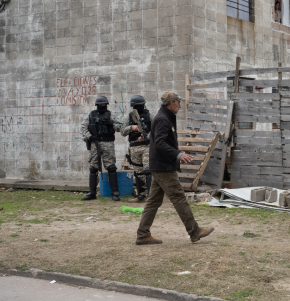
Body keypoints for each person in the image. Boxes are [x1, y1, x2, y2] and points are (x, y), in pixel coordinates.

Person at [135, 91, 214, 245]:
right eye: (178, 101)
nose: (180, 104)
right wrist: (178, 154)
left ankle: (143, 234)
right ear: (171, 103)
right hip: (164, 167)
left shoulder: (164, 117)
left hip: (160, 165)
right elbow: (159, 143)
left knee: (153, 202)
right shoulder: (163, 119)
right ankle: (194, 231)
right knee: (179, 198)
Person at [80, 96, 123, 201]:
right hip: (95, 143)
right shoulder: (91, 115)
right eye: (100, 104)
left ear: (106, 104)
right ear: (97, 105)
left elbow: (121, 127)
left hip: (108, 143)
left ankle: (115, 192)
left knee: (111, 167)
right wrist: (89, 136)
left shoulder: (111, 115)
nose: (102, 106)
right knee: (93, 167)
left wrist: (111, 124)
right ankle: (92, 192)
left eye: (104, 104)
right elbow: (83, 127)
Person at [121, 95, 154, 203]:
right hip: (134, 146)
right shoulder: (129, 117)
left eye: (141, 105)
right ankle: (140, 195)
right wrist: (132, 128)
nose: (139, 107)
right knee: (138, 172)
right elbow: (122, 131)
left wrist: (146, 136)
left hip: (146, 146)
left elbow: (156, 129)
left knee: (148, 170)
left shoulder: (150, 115)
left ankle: (151, 195)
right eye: (137, 105)